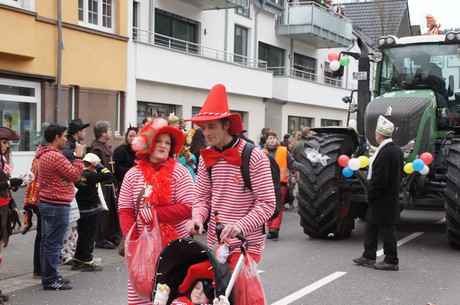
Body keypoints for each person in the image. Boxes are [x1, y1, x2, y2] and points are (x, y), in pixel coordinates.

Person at [185, 84, 275, 305]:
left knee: (240, 297)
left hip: (246, 244)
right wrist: (197, 217)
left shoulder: (253, 156)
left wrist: (240, 225)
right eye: (203, 128)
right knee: (219, 297)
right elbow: (202, 197)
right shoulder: (207, 157)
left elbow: (267, 204)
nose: (206, 133)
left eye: (212, 126)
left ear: (227, 125)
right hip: (217, 243)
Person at [118, 118, 194, 305]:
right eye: (159, 141)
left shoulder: (180, 172)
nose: (163, 145)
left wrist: (156, 214)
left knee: (172, 296)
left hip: (173, 248)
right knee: (140, 296)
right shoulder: (133, 174)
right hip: (142, 248)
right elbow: (125, 210)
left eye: (167, 143)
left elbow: (189, 207)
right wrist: (133, 240)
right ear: (149, 143)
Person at [36, 123, 85, 290]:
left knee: (47, 242)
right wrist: (78, 157)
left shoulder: (44, 154)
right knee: (53, 244)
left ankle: (49, 274)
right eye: (64, 136)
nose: (66, 139)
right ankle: (50, 278)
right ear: (56, 138)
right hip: (56, 205)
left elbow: (67, 177)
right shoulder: (55, 156)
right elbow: (75, 175)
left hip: (48, 203)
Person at [353, 115, 403, 271]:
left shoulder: (385, 152)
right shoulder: (396, 150)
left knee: (386, 228)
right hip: (389, 194)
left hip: (382, 196)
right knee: (372, 224)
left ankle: (391, 259)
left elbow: (380, 178)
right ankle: (369, 254)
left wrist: (372, 192)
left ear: (378, 135)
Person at [72, 153, 112, 272]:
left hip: (80, 210)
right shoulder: (91, 176)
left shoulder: (78, 174)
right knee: (89, 237)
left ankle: (77, 260)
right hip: (91, 210)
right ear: (92, 165)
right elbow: (108, 174)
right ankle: (87, 261)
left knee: (82, 235)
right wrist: (98, 165)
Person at [60, 118, 90, 265]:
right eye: (83, 130)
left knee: (72, 225)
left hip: (71, 190)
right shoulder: (70, 148)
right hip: (68, 191)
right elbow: (73, 173)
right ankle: (66, 254)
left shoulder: (72, 146)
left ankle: (68, 253)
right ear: (78, 132)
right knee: (70, 225)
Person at [23, 122, 50, 279]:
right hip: (40, 198)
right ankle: (39, 268)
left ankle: (39, 268)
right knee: (42, 235)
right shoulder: (43, 154)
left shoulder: (40, 152)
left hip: (39, 198)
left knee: (43, 235)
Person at [264, 131, 303, 239]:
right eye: (270, 138)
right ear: (266, 140)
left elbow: (293, 164)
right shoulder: (262, 153)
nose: (272, 140)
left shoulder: (283, 151)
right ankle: (271, 228)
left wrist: (305, 167)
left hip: (281, 184)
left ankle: (275, 228)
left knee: (279, 206)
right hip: (266, 184)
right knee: (268, 207)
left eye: (274, 138)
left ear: (277, 139)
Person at [87, 120, 120, 249]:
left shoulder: (106, 147)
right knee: (103, 213)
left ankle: (109, 234)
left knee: (112, 211)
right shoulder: (95, 149)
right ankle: (99, 238)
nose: (111, 132)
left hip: (110, 184)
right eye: (109, 130)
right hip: (102, 185)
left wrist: (115, 182)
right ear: (102, 133)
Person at [0, 127, 23, 303]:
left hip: (4, 207)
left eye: (8, 143)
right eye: (4, 142)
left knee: (1, 246)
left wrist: (13, 184)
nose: (6, 147)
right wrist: (8, 183)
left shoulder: (2, 160)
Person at [113, 126, 138, 191]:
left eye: (134, 136)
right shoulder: (120, 150)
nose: (132, 138)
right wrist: (132, 171)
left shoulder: (140, 150)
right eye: (130, 136)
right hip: (124, 181)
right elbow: (117, 167)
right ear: (126, 137)